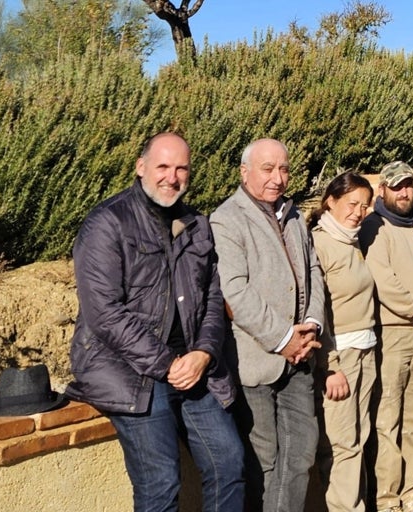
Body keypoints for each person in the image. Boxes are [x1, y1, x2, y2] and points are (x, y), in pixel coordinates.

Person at [67, 132, 244, 511]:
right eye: (163, 166)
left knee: (229, 462)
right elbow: (105, 313)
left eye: (181, 168)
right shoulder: (107, 223)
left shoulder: (196, 224)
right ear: (141, 167)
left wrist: (204, 353)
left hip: (192, 368)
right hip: (129, 370)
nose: (172, 177)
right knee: (161, 482)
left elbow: (213, 298)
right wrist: (167, 363)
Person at [211, 138, 325, 512]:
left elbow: (312, 271)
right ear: (244, 172)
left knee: (301, 456)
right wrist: (282, 337)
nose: (278, 178)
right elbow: (235, 292)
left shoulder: (292, 215)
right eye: (268, 169)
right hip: (256, 361)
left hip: (300, 357)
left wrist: (310, 324)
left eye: (284, 169)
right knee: (265, 461)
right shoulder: (226, 219)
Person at [359, 161, 413, 512]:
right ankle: (387, 499)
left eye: (409, 185)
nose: (404, 192)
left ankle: (412, 494)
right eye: (397, 187)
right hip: (392, 335)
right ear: (383, 191)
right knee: (387, 421)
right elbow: (383, 281)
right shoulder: (374, 228)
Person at [309, 172, 377, 512]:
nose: (359, 212)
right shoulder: (320, 244)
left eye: (365, 205)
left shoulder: (353, 241)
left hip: (365, 352)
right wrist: (329, 367)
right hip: (340, 358)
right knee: (340, 444)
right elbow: (315, 311)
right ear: (330, 201)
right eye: (352, 203)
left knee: (359, 439)